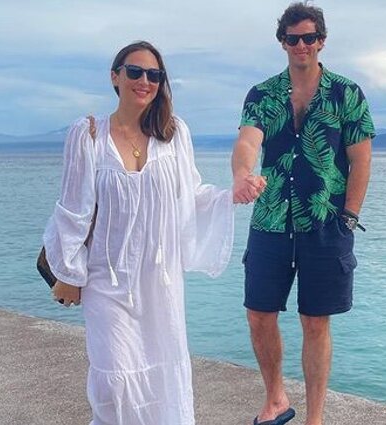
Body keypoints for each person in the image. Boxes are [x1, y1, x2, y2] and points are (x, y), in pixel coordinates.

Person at [44, 41, 263, 425]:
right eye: (135, 71)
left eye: (154, 75)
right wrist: (69, 273)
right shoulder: (89, 134)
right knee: (113, 382)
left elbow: (189, 196)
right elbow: (73, 210)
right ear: (115, 77)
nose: (144, 81)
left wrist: (230, 194)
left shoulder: (174, 134)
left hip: (161, 284)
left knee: (162, 383)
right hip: (106, 281)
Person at [231, 3, 375, 424]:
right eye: (292, 38)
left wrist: (349, 217)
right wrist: (242, 174)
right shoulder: (262, 95)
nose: (301, 45)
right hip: (271, 220)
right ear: (282, 42)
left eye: (309, 38)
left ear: (321, 41)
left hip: (325, 223)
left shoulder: (346, 94)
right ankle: (276, 398)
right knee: (259, 314)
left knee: (315, 322)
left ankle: (315, 418)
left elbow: (361, 161)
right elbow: (248, 141)